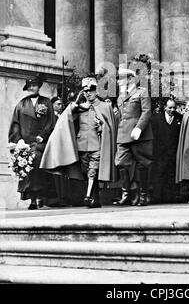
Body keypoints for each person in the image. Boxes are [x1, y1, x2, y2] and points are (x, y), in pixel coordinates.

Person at [40, 76, 117, 208]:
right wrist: (74, 104)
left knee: (93, 171)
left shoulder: (105, 107)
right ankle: (95, 198)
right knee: (86, 172)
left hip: (97, 144)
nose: (88, 93)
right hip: (81, 145)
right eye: (85, 91)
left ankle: (88, 197)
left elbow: (111, 126)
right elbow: (66, 120)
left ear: (96, 90)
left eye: (91, 90)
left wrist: (102, 127)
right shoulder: (79, 107)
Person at [8, 74, 55, 210]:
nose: (32, 88)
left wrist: (43, 135)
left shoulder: (46, 102)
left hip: (41, 143)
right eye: (30, 86)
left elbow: (51, 122)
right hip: (26, 144)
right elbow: (15, 123)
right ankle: (32, 200)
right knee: (28, 170)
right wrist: (19, 140)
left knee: (40, 168)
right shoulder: (21, 104)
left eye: (34, 85)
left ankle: (43, 198)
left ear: (39, 86)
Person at [114, 67, 153, 206]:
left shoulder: (142, 92)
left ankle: (143, 196)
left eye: (121, 79)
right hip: (123, 134)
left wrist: (139, 128)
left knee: (143, 164)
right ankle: (128, 193)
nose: (118, 82)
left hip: (139, 135)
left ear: (130, 79)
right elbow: (120, 115)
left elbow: (147, 111)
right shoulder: (120, 96)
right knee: (121, 163)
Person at [151, 98, 182, 203]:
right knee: (159, 174)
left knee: (172, 175)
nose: (172, 109)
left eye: (174, 107)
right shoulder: (156, 119)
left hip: (174, 152)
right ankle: (158, 197)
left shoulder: (179, 118)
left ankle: (171, 197)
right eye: (170, 107)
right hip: (160, 153)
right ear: (165, 108)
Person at [49, 96, 70, 207]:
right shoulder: (50, 117)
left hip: (62, 148)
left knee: (62, 174)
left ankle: (63, 197)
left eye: (61, 104)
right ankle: (56, 199)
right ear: (52, 105)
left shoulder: (63, 117)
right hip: (53, 148)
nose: (60, 106)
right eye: (58, 104)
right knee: (55, 174)